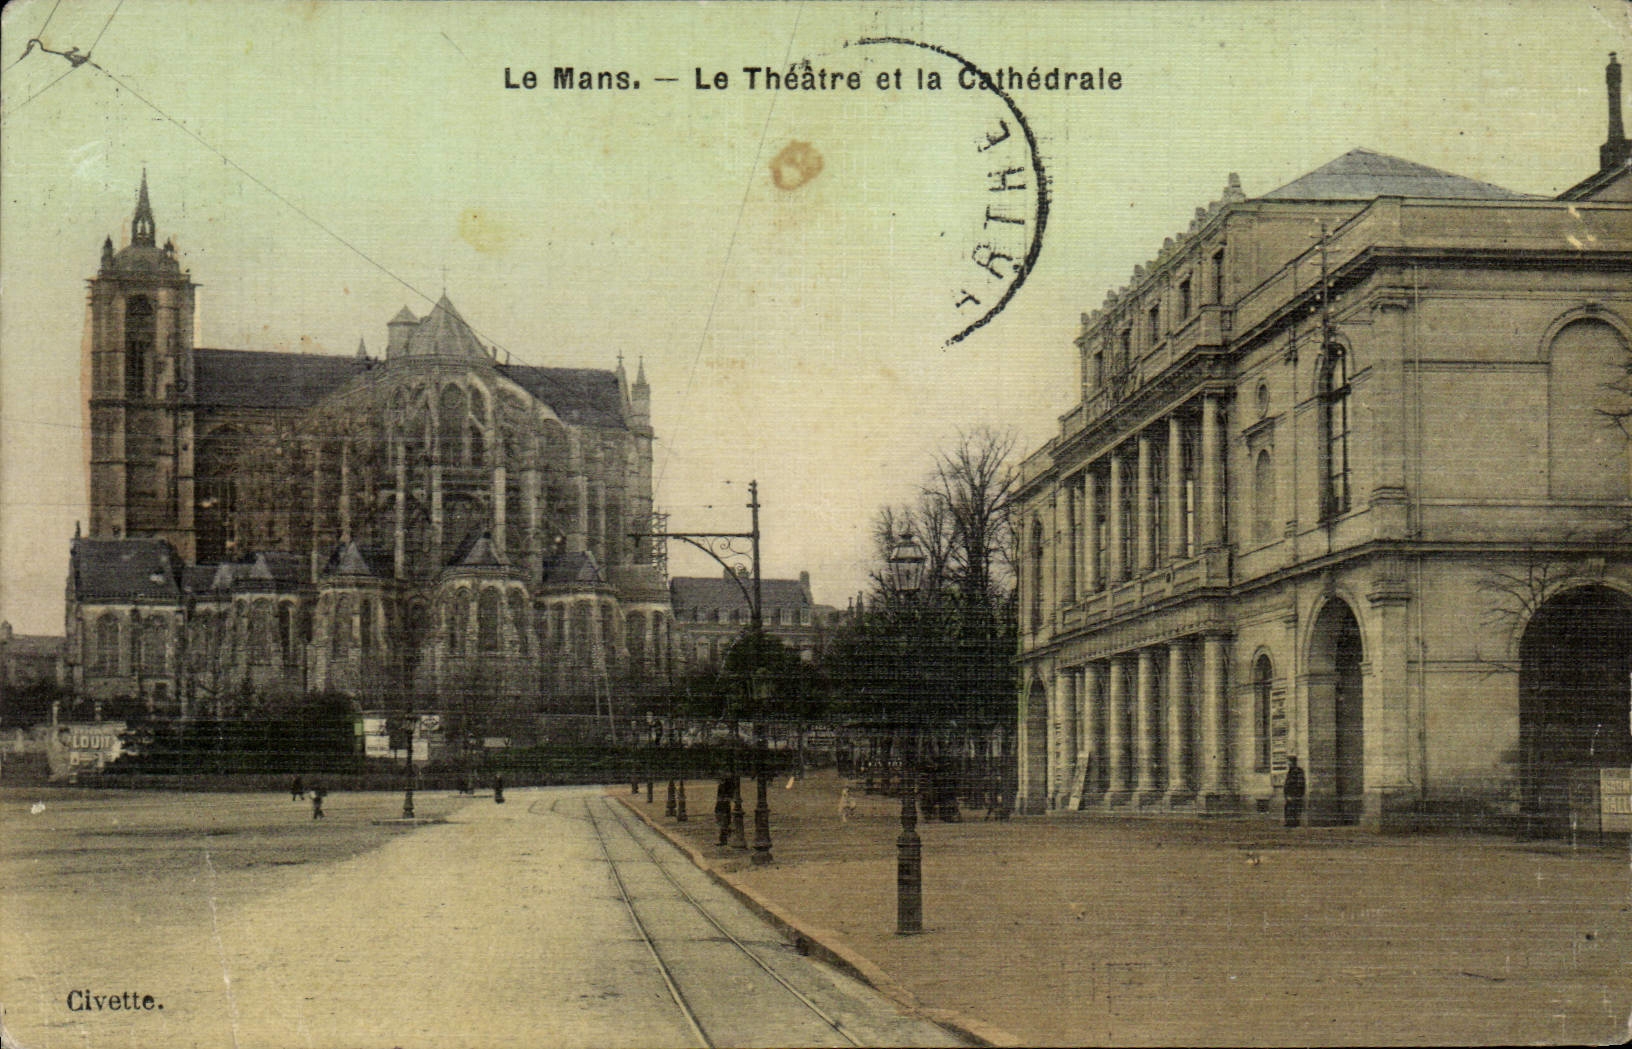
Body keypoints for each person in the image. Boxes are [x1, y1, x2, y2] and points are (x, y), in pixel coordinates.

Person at [1283, 754, 1307, 828]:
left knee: (1294, 808)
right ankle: (1289, 822)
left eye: (1289, 762)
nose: (1288, 764)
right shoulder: (1290, 771)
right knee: (1289, 808)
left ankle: (1293, 823)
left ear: (1293, 762)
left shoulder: (1297, 771)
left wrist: (1295, 794)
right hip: (1290, 794)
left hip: (1294, 794)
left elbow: (1300, 784)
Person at [714, 775, 735, 846]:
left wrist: (726, 799)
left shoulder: (726, 785)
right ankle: (727, 833)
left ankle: (723, 840)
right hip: (720, 805)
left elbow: (729, 796)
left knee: (723, 822)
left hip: (724, 806)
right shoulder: (721, 785)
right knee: (721, 821)